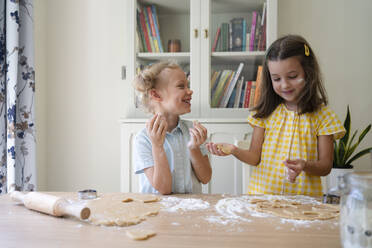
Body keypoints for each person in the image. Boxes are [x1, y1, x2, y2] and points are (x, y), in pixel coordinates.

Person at [206, 35, 345, 196]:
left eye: (292, 77)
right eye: (276, 79)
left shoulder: (323, 116)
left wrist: (305, 165)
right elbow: (254, 157)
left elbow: (325, 166)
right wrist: (234, 150)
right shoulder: (265, 113)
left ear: (308, 73)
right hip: (263, 199)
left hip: (304, 204)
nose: (284, 85)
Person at [133, 61, 212, 195]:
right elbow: (164, 189)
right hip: (157, 211)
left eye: (188, 85)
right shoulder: (143, 139)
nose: (190, 91)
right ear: (156, 95)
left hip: (192, 209)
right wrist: (157, 147)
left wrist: (194, 149)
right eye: (181, 86)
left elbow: (205, 178)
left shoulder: (193, 131)